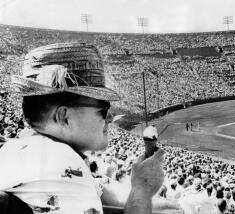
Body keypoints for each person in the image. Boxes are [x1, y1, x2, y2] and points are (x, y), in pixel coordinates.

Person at [0, 43, 165, 214]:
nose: (109, 117)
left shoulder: (25, 149)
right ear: (64, 117)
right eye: (103, 109)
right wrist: (142, 191)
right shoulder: (58, 161)